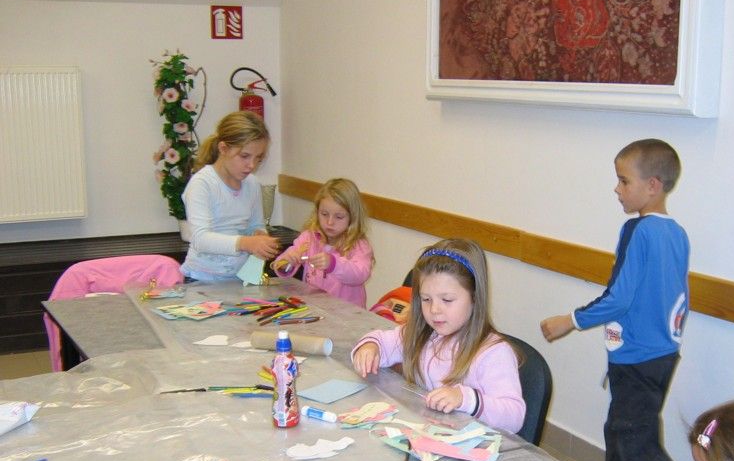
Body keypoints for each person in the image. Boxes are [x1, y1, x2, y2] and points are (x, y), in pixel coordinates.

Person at [539, 138, 701, 461]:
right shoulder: (677, 233)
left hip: (637, 356)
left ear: (653, 185)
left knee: (636, 442)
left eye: (624, 181)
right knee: (622, 427)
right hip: (661, 353)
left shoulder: (638, 230)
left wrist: (570, 320)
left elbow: (619, 297)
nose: (617, 189)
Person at [351, 239, 525, 434]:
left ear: (475, 297)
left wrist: (465, 399)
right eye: (426, 299)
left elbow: (514, 417)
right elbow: (383, 341)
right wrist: (371, 347)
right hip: (428, 435)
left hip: (468, 445)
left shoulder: (494, 353)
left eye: (447, 300)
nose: (434, 309)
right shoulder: (424, 334)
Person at [180, 111, 280, 282]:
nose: (251, 165)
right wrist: (246, 243)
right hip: (201, 278)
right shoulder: (203, 183)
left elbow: (256, 225)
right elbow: (200, 239)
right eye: (245, 156)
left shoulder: (252, 184)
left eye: (258, 158)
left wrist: (260, 236)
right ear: (223, 148)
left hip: (238, 278)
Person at [271, 178, 374, 307]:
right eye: (324, 214)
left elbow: (360, 274)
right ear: (317, 212)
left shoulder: (359, 245)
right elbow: (282, 263)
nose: (330, 222)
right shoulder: (309, 238)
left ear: (353, 217)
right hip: (315, 308)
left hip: (347, 314)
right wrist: (286, 263)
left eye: (339, 217)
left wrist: (334, 264)